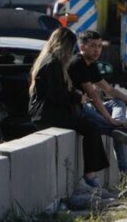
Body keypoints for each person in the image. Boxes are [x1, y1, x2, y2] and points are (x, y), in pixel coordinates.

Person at [28, 28, 110, 192]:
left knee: (91, 126)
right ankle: (90, 176)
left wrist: (74, 95)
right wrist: (77, 98)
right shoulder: (53, 64)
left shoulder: (48, 60)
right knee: (91, 128)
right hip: (48, 114)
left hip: (46, 112)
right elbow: (56, 95)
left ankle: (92, 174)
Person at [68, 30, 127, 188]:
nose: (97, 50)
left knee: (117, 103)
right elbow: (93, 94)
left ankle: (120, 130)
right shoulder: (78, 62)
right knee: (116, 128)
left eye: (99, 46)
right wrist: (109, 119)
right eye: (93, 46)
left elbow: (110, 90)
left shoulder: (91, 64)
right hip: (78, 109)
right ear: (82, 46)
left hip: (89, 107)